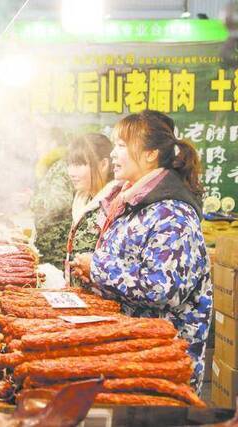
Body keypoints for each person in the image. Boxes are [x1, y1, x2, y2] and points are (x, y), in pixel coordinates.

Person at [70, 110, 212, 394]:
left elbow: (164, 289)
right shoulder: (131, 200)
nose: (112, 154)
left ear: (151, 154)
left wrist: (97, 268)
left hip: (162, 362)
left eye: (121, 145)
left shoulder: (172, 214)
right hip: (132, 353)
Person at [65, 133, 115, 287]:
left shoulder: (114, 205)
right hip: (79, 297)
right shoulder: (81, 200)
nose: (71, 173)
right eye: (70, 165)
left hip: (102, 302)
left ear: (103, 165)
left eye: (79, 165)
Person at [30, 128, 74, 269]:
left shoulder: (61, 167)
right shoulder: (53, 165)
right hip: (50, 245)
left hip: (56, 247)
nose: (36, 147)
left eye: (39, 142)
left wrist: (31, 201)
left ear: (52, 143)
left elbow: (60, 202)